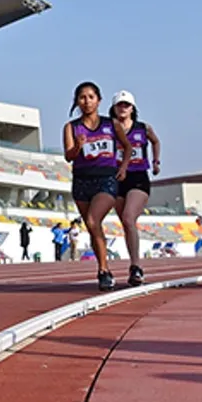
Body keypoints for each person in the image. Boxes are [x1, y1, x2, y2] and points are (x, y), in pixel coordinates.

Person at [63, 82, 132, 291]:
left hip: (106, 179)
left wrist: (124, 167)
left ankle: (103, 270)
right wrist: (78, 146)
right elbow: (68, 156)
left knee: (94, 220)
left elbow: (127, 147)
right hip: (82, 181)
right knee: (93, 229)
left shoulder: (111, 124)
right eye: (82, 98)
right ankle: (105, 268)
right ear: (77, 101)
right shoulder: (71, 127)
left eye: (91, 97)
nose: (87, 101)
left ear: (99, 100)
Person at [109, 90, 161, 287]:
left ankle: (136, 266)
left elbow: (156, 141)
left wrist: (156, 161)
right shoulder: (109, 129)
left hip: (138, 177)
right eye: (119, 105)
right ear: (114, 108)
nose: (123, 108)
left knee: (129, 217)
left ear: (132, 108)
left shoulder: (143, 128)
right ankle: (133, 265)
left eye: (126, 105)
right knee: (126, 224)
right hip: (116, 178)